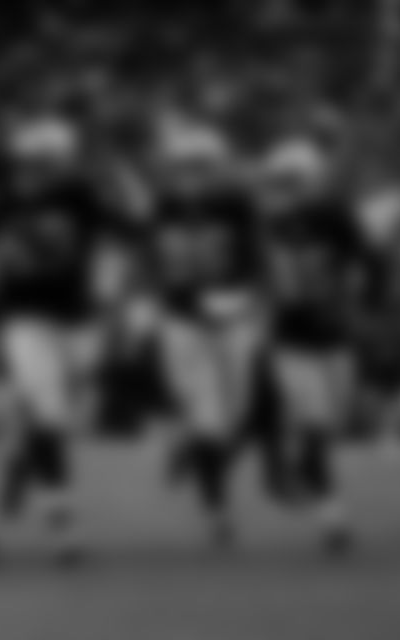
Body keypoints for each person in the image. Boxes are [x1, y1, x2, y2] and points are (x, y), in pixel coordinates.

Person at [0, 115, 123, 564]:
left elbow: (132, 227)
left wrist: (111, 296)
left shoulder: (82, 197)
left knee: (72, 418)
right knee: (51, 415)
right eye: (30, 163)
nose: (36, 172)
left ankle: (21, 456)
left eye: (47, 163)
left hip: (78, 319)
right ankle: (61, 519)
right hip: (25, 319)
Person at [141, 120, 263, 548]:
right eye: (185, 167)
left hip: (233, 315)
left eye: (201, 166)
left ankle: (191, 449)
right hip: (183, 322)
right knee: (210, 421)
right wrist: (164, 298)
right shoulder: (163, 207)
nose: (193, 176)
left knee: (237, 419)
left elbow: (258, 259)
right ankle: (217, 510)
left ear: (217, 167)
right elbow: (152, 260)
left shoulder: (238, 206)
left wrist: (241, 298)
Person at [256, 137, 371, 556]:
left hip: (336, 337)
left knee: (332, 426)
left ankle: (290, 469)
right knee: (318, 425)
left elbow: (363, 260)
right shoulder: (269, 226)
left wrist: (355, 288)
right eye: (282, 182)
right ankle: (333, 518)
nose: (288, 189)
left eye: (295, 181)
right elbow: (267, 281)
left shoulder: (335, 218)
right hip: (293, 342)